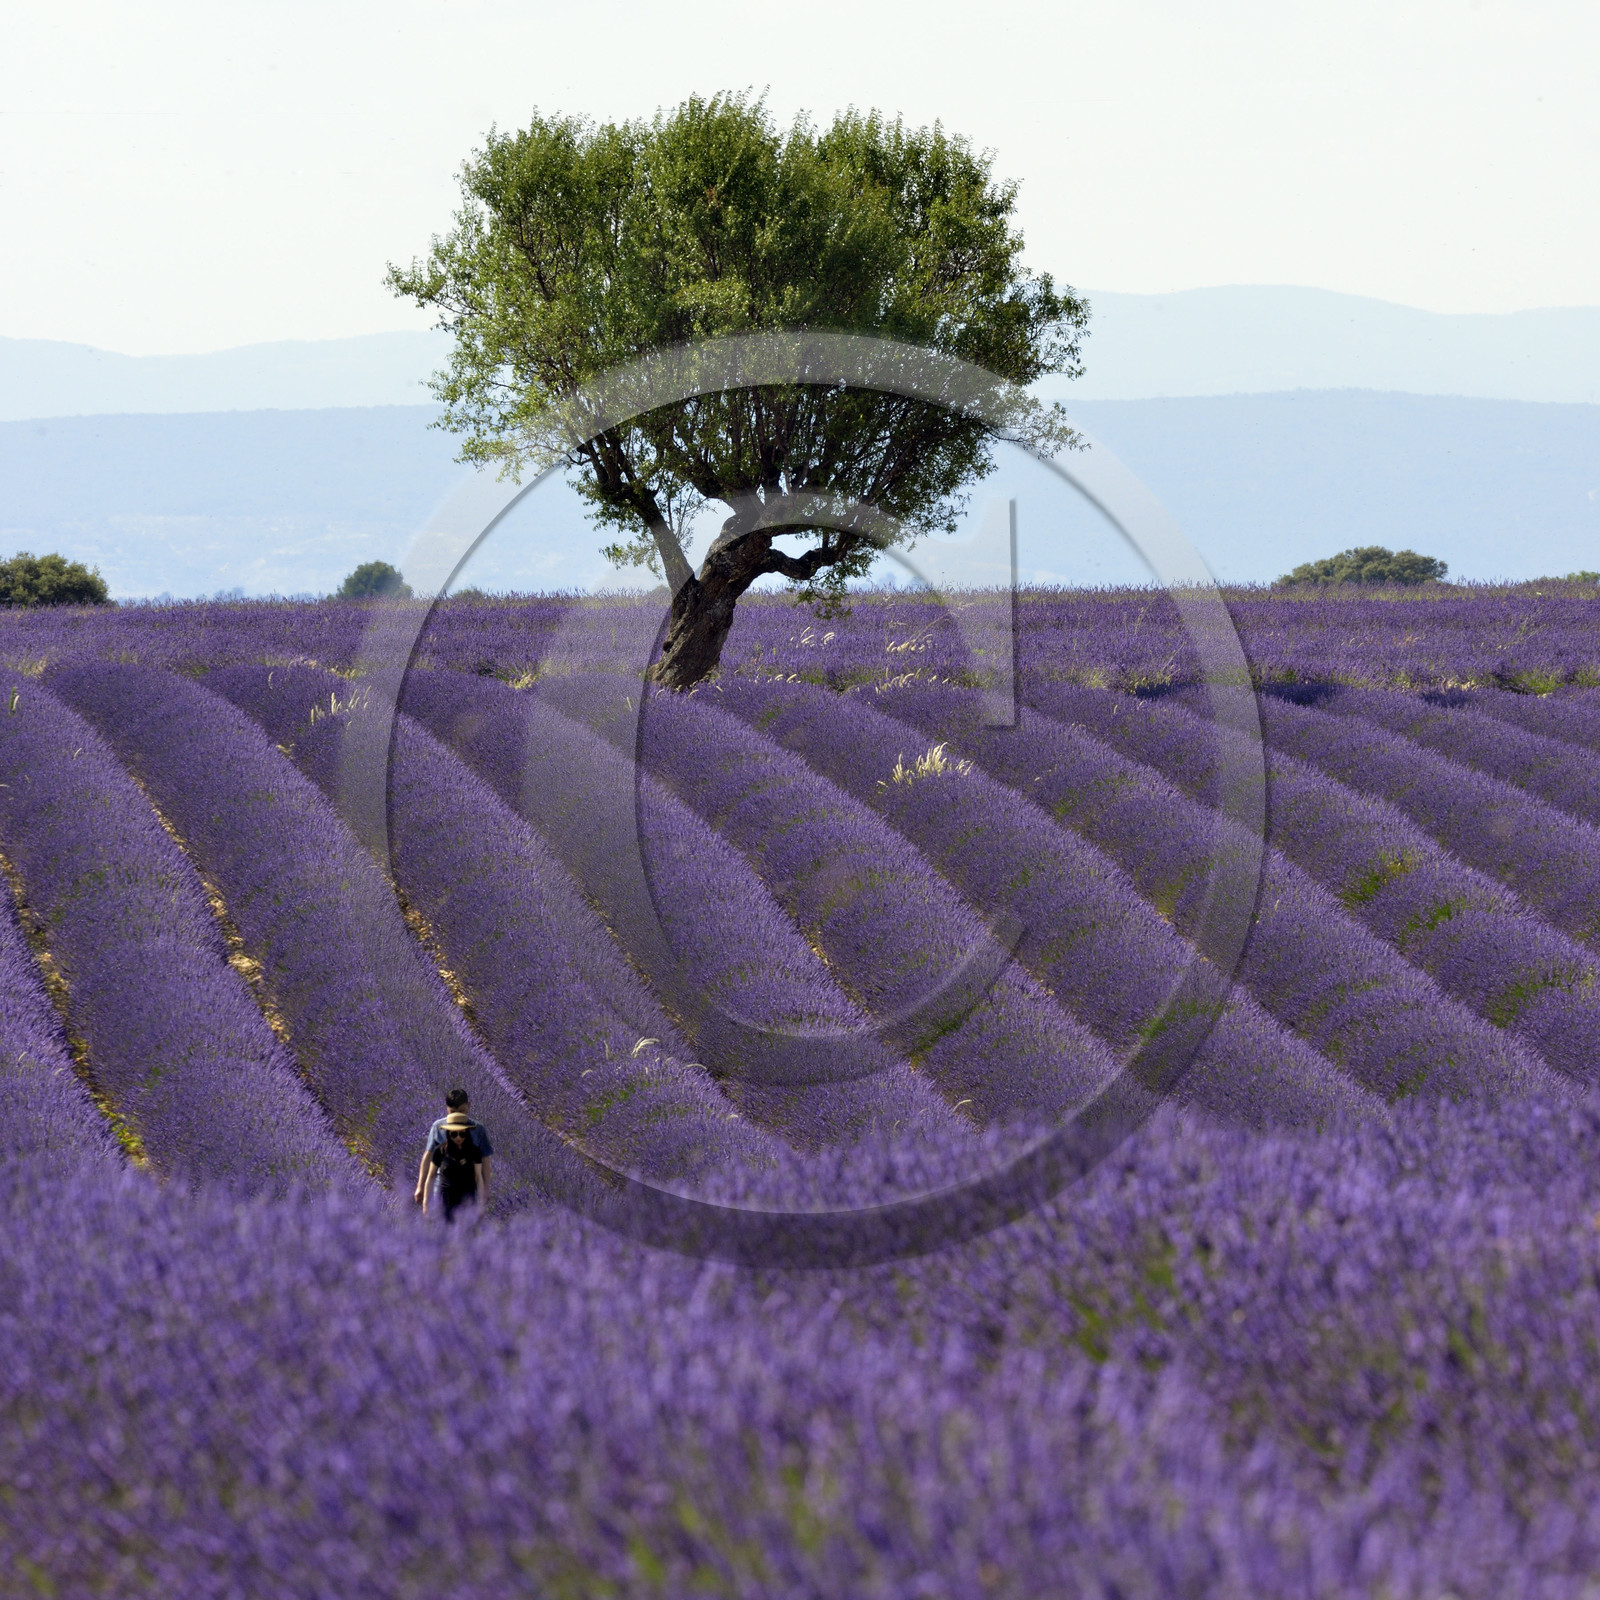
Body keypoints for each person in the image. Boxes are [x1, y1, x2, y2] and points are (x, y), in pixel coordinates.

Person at [414, 1088, 492, 1223]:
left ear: (468, 1106)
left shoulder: (478, 1130)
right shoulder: (438, 1127)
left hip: (468, 1187)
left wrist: (485, 1189)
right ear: (447, 1109)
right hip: (443, 1185)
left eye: (461, 1111)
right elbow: (428, 1156)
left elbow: (485, 1161)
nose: (457, 1116)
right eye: (452, 1112)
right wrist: (420, 1186)